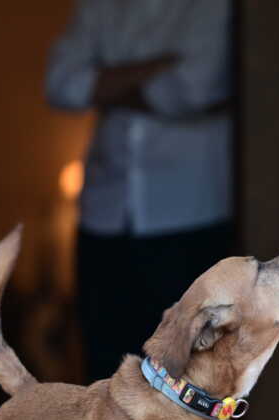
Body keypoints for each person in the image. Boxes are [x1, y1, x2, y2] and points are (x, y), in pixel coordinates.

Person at [45, 0, 234, 385]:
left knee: (189, 377)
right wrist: (155, 67)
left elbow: (195, 87)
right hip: (105, 212)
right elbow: (61, 83)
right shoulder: (102, 7)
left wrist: (105, 82)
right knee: (106, 373)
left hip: (191, 210)